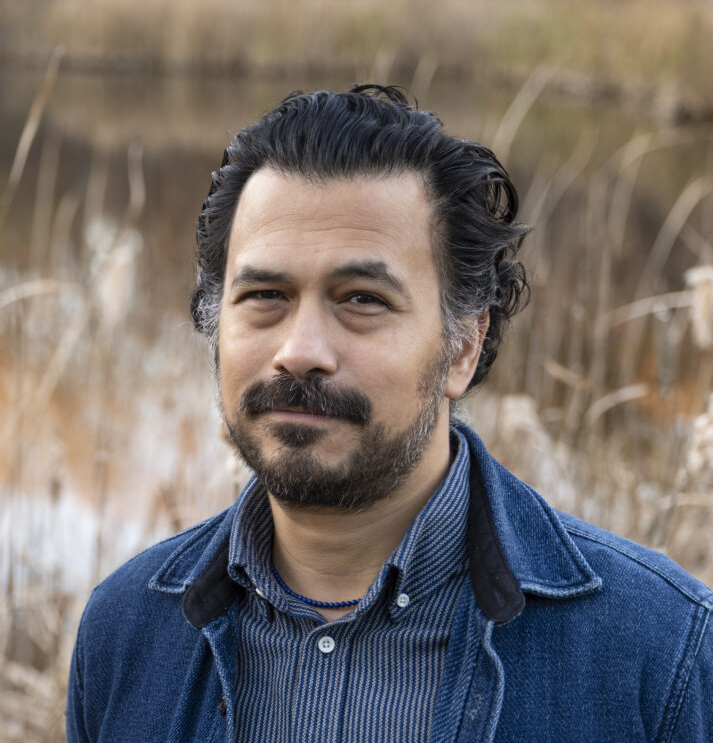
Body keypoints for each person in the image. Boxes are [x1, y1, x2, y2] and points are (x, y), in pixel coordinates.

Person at [66, 85, 712, 743]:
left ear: (462, 346)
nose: (300, 353)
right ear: (214, 324)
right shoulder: (127, 632)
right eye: (264, 294)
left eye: (361, 300)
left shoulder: (656, 652)